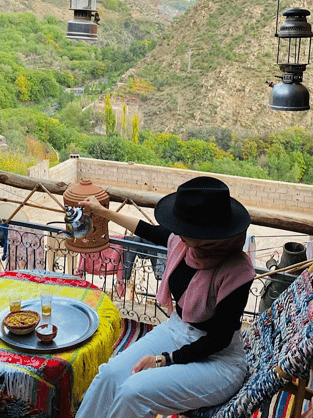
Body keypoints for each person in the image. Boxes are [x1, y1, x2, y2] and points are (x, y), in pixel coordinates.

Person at [74, 176, 256, 418]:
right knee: (108, 376)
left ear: (207, 235)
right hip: (176, 330)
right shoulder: (185, 244)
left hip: (219, 361)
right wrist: (101, 212)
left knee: (132, 392)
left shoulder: (237, 271)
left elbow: (219, 339)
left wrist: (164, 361)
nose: (177, 233)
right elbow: (146, 230)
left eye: (185, 229)